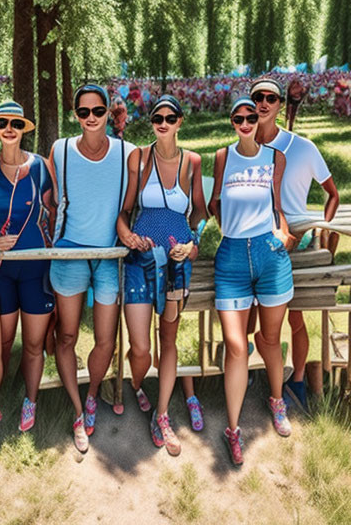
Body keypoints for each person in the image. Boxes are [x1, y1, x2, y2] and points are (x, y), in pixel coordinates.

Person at [116, 95, 208, 456]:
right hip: (141, 260)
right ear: (152, 121)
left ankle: (163, 414)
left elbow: (199, 212)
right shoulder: (139, 158)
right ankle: (138, 382)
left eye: (171, 117)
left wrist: (193, 244)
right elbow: (125, 211)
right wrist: (126, 236)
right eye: (158, 117)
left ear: (180, 122)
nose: (164, 122)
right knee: (141, 347)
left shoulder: (193, 162)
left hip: (177, 265)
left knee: (167, 339)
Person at [47, 83, 134, 453]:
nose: (91, 119)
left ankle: (94, 393)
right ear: (76, 115)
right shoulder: (61, 150)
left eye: (97, 111)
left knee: (105, 340)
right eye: (83, 113)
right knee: (66, 337)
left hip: (110, 255)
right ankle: (77, 409)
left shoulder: (128, 154)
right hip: (68, 252)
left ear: (108, 112)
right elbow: (48, 199)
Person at [209, 96, 296, 467]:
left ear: (258, 120)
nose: (245, 122)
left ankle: (277, 401)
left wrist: (284, 234)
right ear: (232, 121)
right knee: (236, 345)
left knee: (272, 338)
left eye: (250, 116)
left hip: (269, 254)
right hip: (230, 258)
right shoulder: (222, 157)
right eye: (238, 117)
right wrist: (227, 226)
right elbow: (214, 202)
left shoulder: (275, 157)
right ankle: (233, 428)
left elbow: (277, 204)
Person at [0, 101, 56, 446]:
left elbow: (53, 209)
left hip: (35, 267)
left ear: (23, 128)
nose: (9, 128)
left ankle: (30, 400)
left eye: (15, 123)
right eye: (2, 122)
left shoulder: (41, 168)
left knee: (32, 345)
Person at [251, 77, 340, 409]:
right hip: (255, 241)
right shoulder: (244, 146)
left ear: (279, 103)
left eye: (270, 97)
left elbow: (332, 195)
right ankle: (255, 371)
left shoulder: (304, 148)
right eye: (257, 97)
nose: (263, 102)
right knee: (251, 318)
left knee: (296, 317)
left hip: (296, 243)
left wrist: (319, 228)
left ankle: (298, 379)